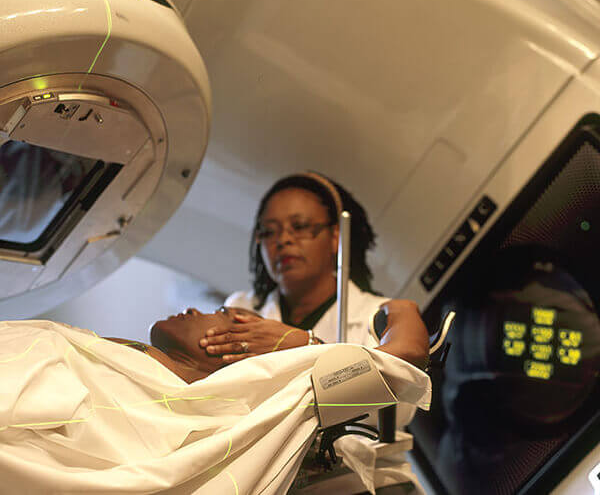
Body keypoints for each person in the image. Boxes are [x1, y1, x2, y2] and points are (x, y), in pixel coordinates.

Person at [0, 304, 431, 494]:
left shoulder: (267, 406)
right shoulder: (114, 353)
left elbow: (403, 356)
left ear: (238, 345)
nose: (193, 309)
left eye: (224, 315)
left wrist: (307, 343)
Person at [204, 172, 429, 369]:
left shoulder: (378, 316)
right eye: (269, 232)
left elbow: (398, 393)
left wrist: (306, 345)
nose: (283, 240)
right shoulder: (241, 308)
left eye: (300, 227)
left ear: (335, 238)